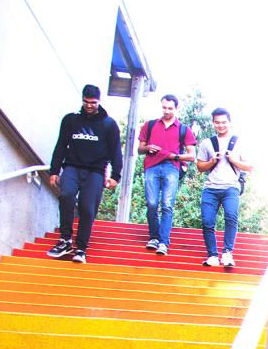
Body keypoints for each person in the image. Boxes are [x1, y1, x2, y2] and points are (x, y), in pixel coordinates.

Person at [46, 85, 122, 264]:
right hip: (72, 167)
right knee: (66, 196)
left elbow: (116, 152)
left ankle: (81, 248)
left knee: (87, 209)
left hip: (95, 172)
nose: (89, 106)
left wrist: (115, 176)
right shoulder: (70, 120)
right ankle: (65, 240)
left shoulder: (109, 125)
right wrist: (54, 171)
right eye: (86, 102)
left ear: (99, 102)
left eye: (93, 103)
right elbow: (60, 146)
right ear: (82, 100)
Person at [137, 94, 196, 256]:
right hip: (151, 166)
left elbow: (191, 155)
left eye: (170, 108)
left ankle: (164, 241)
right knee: (151, 203)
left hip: (171, 167)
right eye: (164, 107)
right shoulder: (150, 125)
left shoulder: (184, 129)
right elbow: (139, 149)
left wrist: (173, 156)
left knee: (167, 204)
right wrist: (148, 147)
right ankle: (154, 237)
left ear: (176, 109)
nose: (167, 111)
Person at [195, 108, 252, 267]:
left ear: (230, 122)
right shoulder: (207, 143)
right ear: (213, 123)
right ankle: (212, 255)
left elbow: (249, 166)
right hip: (211, 188)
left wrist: (234, 160)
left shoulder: (239, 142)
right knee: (207, 221)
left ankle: (227, 253)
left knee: (231, 216)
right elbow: (200, 166)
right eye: (217, 122)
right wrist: (212, 161)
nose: (220, 125)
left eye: (223, 122)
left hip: (230, 187)